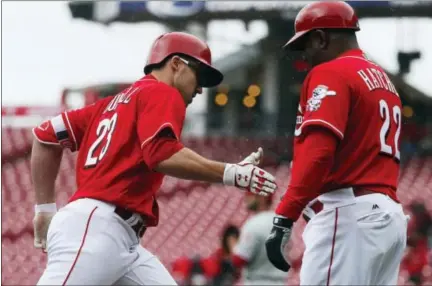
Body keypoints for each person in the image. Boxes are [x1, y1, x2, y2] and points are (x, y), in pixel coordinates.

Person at [31, 31, 277, 285]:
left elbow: (45, 136)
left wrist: (45, 210)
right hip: (97, 228)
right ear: (176, 64)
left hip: (118, 237)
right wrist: (231, 172)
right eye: (198, 75)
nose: (201, 89)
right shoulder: (163, 93)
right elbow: (161, 154)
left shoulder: (108, 105)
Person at [264, 2, 408, 285]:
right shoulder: (384, 81)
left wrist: (284, 215)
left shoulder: (331, 72)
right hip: (386, 216)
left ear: (321, 37)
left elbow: (318, 153)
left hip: (348, 215)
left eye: (307, 44)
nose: (305, 54)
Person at [232, 193, 288, 285]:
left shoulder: (253, 223)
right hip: (280, 282)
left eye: (251, 195)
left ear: (262, 198)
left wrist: (233, 245)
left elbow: (239, 260)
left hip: (257, 281)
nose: (246, 197)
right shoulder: (283, 222)